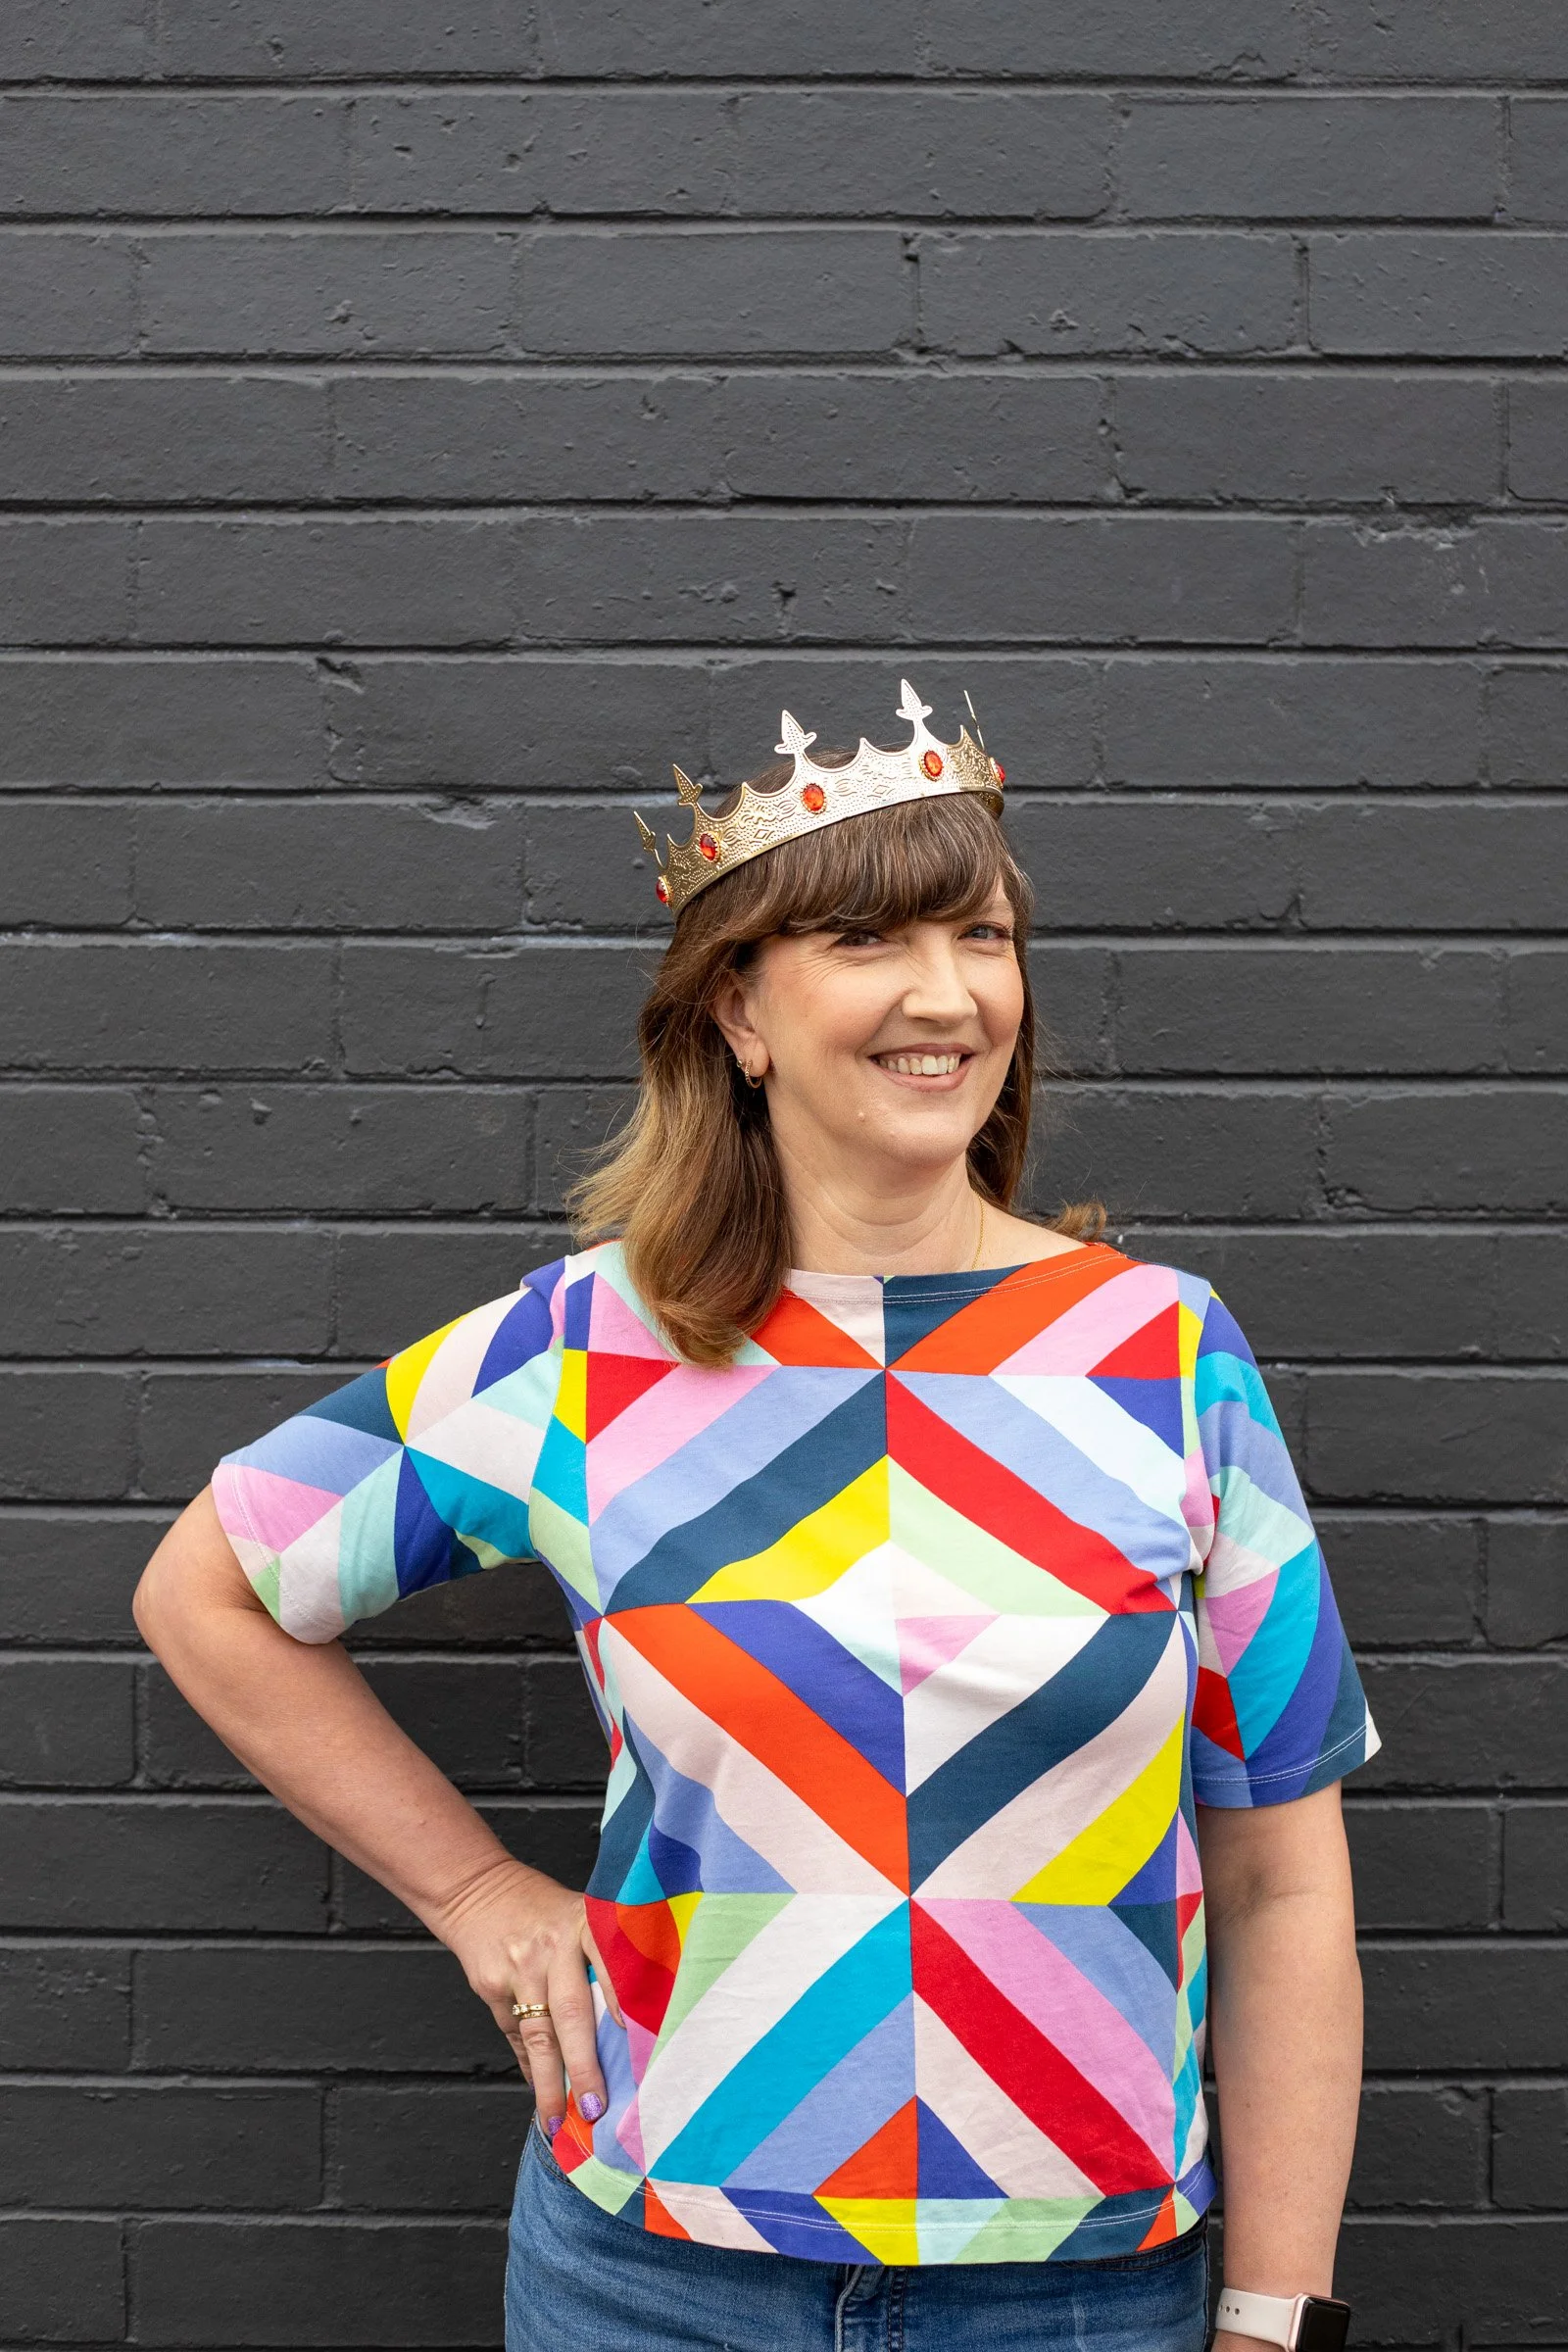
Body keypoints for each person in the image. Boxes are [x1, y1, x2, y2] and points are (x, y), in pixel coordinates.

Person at [134, 681, 1375, 2352]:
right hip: (655, 2279)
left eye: (986, 940)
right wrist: (476, 1896)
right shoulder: (582, 1353)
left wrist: (1276, 2316)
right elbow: (209, 1589)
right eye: (874, 941)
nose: (950, 996)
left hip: (1086, 2293)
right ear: (738, 1010)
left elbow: (1286, 1879)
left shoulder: (1165, 1355)